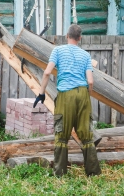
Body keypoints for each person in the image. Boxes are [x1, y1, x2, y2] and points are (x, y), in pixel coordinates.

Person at [33, 24, 101, 176]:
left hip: (66, 95)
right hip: (83, 93)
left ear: (66, 36)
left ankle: (60, 174)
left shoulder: (58, 50)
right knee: (86, 134)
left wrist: (41, 93)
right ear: (80, 38)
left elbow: (47, 73)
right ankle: (93, 173)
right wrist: (86, 96)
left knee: (62, 134)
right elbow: (90, 81)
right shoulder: (85, 55)